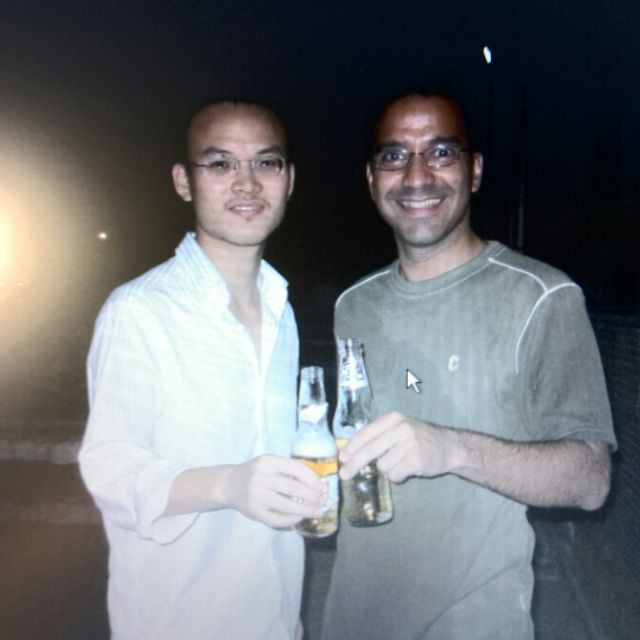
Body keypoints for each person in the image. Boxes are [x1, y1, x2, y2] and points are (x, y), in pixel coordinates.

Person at [320, 94, 616, 640]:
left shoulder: (541, 296)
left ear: (474, 171)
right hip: (355, 619)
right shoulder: (353, 305)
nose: (416, 176)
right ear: (371, 178)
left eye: (440, 152)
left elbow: (591, 480)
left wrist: (450, 449)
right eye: (394, 156)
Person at [78, 101, 326, 640]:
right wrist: (229, 485)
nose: (246, 183)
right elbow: (111, 471)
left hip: (276, 618)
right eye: (220, 164)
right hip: (178, 620)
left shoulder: (280, 307)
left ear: (289, 180)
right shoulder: (139, 310)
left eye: (266, 163)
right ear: (183, 182)